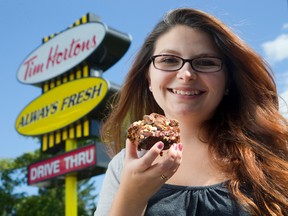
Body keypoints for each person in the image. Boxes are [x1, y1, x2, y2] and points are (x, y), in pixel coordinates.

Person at [94, 8, 288, 216]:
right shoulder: (123, 166)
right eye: (169, 60)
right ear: (148, 78)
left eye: (206, 62)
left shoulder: (274, 154)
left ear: (228, 80)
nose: (186, 74)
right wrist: (132, 195)